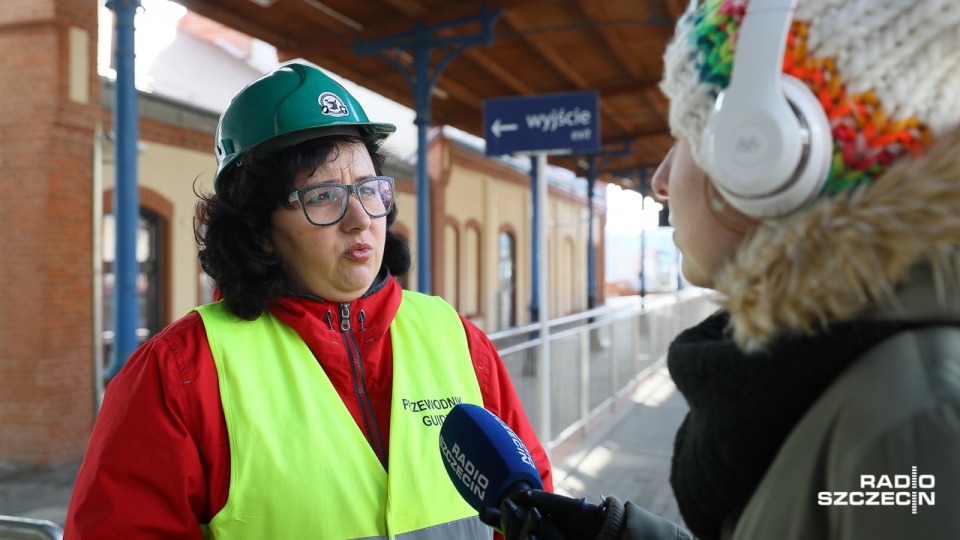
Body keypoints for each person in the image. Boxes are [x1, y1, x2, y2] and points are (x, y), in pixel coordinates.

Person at [495, 0, 960, 539]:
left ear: (763, 155)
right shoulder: (831, 375)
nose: (661, 180)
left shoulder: (916, 427)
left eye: (684, 136)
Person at [65, 62, 552, 539]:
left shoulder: (457, 340)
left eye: (369, 188)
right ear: (258, 231)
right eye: (323, 196)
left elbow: (530, 508)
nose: (361, 218)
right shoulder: (180, 374)